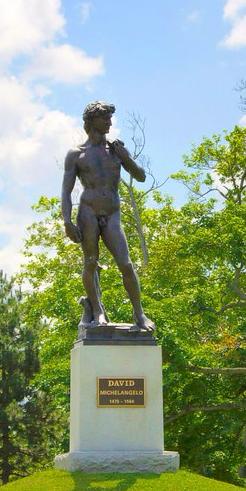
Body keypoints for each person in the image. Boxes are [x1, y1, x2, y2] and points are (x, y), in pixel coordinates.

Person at [62, 101, 155, 332]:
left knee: (125, 263)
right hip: (88, 212)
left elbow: (141, 177)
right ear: (91, 121)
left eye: (110, 118)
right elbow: (66, 191)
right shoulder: (77, 154)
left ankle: (139, 314)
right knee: (90, 262)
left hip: (112, 214)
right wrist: (67, 222)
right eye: (104, 118)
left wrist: (126, 157)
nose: (109, 123)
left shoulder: (116, 150)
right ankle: (97, 310)